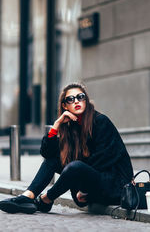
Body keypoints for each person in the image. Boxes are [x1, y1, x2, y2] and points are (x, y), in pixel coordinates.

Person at [0, 83, 133, 214]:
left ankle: (45, 199)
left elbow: (104, 158)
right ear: (64, 105)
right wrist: (56, 125)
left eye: (80, 97)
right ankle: (28, 196)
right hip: (87, 189)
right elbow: (47, 154)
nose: (76, 101)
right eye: (71, 99)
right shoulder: (70, 125)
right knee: (53, 160)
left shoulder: (100, 121)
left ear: (86, 100)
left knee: (75, 166)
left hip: (114, 186)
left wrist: (82, 185)